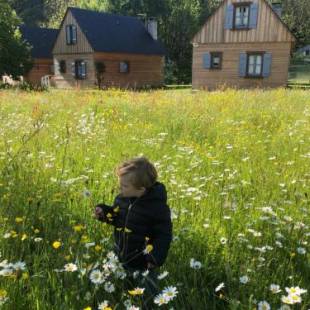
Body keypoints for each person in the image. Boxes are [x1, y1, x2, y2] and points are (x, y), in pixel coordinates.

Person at [94, 156, 172, 308]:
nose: (119, 188)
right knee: (118, 284)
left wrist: (154, 257)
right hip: (120, 253)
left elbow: (164, 235)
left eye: (124, 186)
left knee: (148, 295)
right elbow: (117, 218)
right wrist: (104, 212)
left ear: (141, 189)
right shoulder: (122, 199)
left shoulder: (157, 208)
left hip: (143, 261)